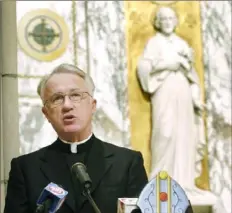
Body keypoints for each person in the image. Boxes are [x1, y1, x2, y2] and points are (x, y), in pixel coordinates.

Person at [4, 63, 148, 213]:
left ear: (92, 106)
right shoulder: (26, 169)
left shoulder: (127, 163)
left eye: (75, 95)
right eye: (57, 98)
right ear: (46, 113)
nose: (67, 105)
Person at [137, 6, 206, 190]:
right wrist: (170, 64)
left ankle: (185, 183)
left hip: (182, 91)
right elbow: (144, 67)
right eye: (163, 19)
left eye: (170, 19)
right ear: (158, 23)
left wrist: (195, 98)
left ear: (176, 22)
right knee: (165, 132)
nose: (167, 22)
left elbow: (192, 77)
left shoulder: (181, 44)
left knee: (184, 134)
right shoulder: (154, 43)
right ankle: (159, 180)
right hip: (164, 89)